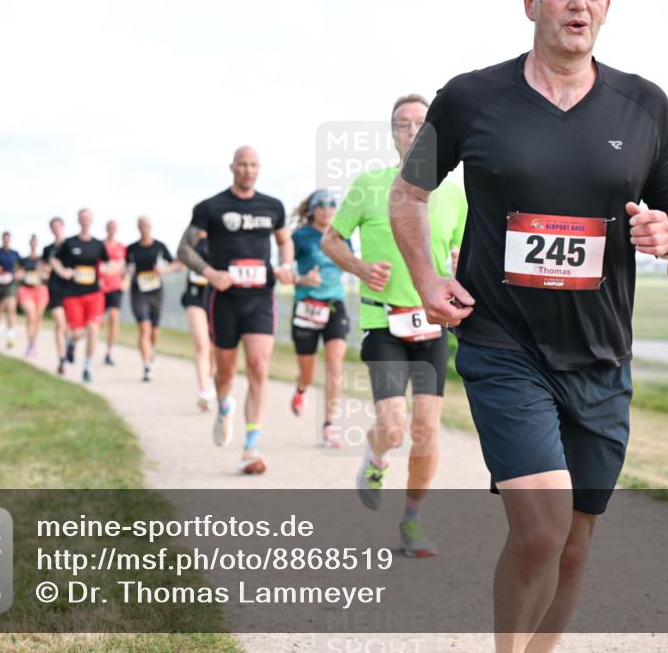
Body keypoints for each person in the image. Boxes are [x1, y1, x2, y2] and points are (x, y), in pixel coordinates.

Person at [390, 0, 668, 649]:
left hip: (600, 356)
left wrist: (667, 234)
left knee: (574, 543)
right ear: (531, 1)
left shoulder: (645, 103)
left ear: (608, 8)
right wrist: (426, 277)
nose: (578, 2)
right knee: (541, 525)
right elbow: (409, 192)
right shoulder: (471, 96)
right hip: (503, 344)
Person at [323, 94, 467, 558]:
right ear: (392, 135)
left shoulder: (455, 192)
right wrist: (361, 268)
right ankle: (376, 455)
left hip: (432, 325)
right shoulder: (369, 185)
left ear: (431, 134)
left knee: (427, 428)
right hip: (383, 322)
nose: (410, 131)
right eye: (401, 124)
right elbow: (332, 239)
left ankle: (412, 521)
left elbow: (463, 252)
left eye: (420, 124)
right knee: (394, 424)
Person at [177, 145, 294, 474]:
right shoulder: (211, 207)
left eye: (254, 165)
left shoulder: (273, 206)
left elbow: (284, 241)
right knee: (225, 373)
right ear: (232, 167)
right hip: (224, 300)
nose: (248, 170)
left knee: (258, 366)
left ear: (259, 168)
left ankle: (250, 446)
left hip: (260, 297)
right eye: (242, 165)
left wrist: (285, 265)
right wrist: (210, 273)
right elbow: (184, 248)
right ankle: (224, 404)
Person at [289, 189, 350, 448]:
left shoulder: (342, 235)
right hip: (306, 306)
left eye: (332, 204)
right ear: (313, 209)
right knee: (309, 374)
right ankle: (301, 389)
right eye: (321, 204)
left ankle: (329, 425)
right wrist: (304, 279)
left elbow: (350, 264)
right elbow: (285, 270)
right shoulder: (299, 237)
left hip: (335, 304)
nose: (327, 209)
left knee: (335, 366)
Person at [51, 208, 109, 383]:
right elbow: (55, 259)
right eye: (82, 217)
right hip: (73, 294)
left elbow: (109, 263)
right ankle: (71, 342)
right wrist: (63, 271)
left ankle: (87, 367)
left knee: (93, 328)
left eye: (88, 217)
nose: (85, 220)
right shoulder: (69, 243)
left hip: (94, 294)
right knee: (77, 333)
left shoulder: (98, 244)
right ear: (78, 220)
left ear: (91, 220)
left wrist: (108, 269)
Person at [125, 216, 181, 381]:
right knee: (144, 328)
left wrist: (164, 270)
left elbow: (175, 264)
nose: (144, 228)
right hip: (138, 291)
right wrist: (125, 278)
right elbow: (127, 268)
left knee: (154, 331)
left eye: (147, 226)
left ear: (151, 227)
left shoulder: (159, 246)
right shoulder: (132, 248)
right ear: (138, 227)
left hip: (156, 291)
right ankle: (147, 365)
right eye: (141, 226)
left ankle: (152, 350)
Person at [181, 237, 217, 410]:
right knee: (202, 344)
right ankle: (203, 391)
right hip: (195, 297)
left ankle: (210, 382)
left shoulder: (224, 238)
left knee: (215, 346)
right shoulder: (192, 241)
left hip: (217, 297)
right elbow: (180, 258)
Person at [42, 217, 72, 375]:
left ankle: (70, 345)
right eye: (53, 226)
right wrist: (44, 274)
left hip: (72, 289)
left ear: (63, 227)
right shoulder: (48, 250)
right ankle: (61, 359)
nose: (56, 229)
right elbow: (42, 268)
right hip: (54, 288)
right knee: (60, 324)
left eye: (58, 226)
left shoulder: (71, 245)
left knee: (71, 326)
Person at [0, 231, 22, 349]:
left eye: (8, 239)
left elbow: (21, 268)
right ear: (2, 239)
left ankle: (10, 337)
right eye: (5, 239)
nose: (6, 241)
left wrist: (18, 274)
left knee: (11, 309)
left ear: (10, 240)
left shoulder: (15, 254)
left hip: (10, 284)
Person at [18, 234, 50, 358]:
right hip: (27, 289)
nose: (33, 244)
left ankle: (33, 343)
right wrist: (21, 275)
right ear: (29, 243)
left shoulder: (42, 260)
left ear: (37, 244)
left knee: (37, 318)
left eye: (35, 242)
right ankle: (30, 343)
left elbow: (47, 274)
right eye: (32, 242)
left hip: (41, 290)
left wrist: (42, 274)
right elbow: (19, 273)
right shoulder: (24, 260)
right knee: (31, 316)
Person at [100, 219, 127, 366]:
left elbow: (127, 267)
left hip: (115, 287)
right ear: (106, 228)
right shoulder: (100, 245)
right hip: (100, 288)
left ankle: (109, 352)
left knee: (114, 318)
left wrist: (125, 281)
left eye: (114, 227)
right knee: (98, 321)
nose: (112, 229)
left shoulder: (122, 247)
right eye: (110, 227)